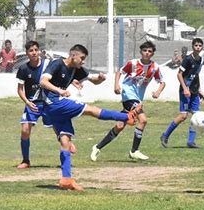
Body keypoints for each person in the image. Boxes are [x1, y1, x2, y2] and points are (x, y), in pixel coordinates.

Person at [40, 44, 141, 191]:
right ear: (73, 55)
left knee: (65, 141)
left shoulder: (76, 69)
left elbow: (93, 80)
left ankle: (66, 179)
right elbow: (43, 81)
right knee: (92, 110)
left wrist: (100, 78)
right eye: (81, 58)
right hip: (54, 103)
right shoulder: (57, 64)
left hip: (55, 109)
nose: (83, 62)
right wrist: (60, 91)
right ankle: (126, 116)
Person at [90, 41, 165, 162]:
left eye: (150, 51)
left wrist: (158, 92)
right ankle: (134, 151)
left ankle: (97, 147)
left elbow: (162, 82)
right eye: (145, 50)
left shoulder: (154, 67)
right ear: (141, 52)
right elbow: (120, 72)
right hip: (128, 95)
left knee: (120, 125)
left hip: (137, 98)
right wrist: (116, 85)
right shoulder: (133, 63)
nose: (147, 53)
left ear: (153, 53)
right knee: (143, 120)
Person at [160, 38, 204, 149]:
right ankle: (165, 135)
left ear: (202, 47)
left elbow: (196, 75)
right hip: (185, 91)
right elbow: (179, 74)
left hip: (194, 91)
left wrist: (199, 89)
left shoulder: (201, 60)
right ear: (193, 46)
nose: (198, 47)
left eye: (200, 45)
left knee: (196, 116)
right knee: (183, 116)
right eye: (196, 45)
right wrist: (185, 89)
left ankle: (191, 142)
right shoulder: (188, 59)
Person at [16, 41, 54, 169]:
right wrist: (27, 102)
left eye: (36, 50)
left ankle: (67, 145)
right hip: (32, 104)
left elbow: (59, 76)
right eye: (31, 50)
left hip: (48, 103)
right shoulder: (23, 69)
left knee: (58, 127)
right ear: (27, 53)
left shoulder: (47, 65)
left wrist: (75, 81)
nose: (34, 53)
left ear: (39, 51)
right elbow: (20, 89)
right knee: (25, 130)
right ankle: (26, 161)